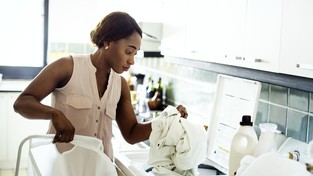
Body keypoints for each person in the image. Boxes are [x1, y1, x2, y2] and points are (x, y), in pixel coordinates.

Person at [13, 11, 188, 160]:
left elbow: (132, 133)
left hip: (101, 173)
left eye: (135, 53)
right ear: (108, 42)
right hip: (63, 170)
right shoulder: (67, 67)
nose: (132, 60)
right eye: (128, 51)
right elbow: (22, 103)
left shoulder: (120, 85)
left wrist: (166, 121)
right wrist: (54, 114)